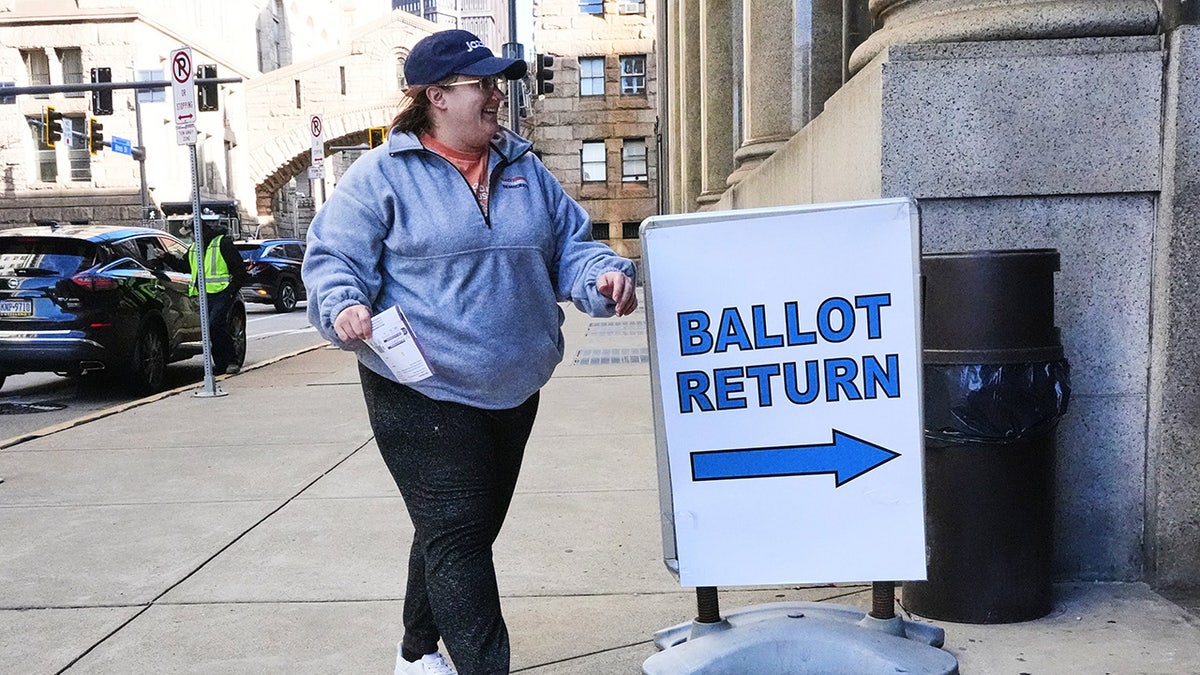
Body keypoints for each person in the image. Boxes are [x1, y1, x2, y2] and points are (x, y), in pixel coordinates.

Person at [302, 29, 637, 675]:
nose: (495, 95)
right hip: (420, 387)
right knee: (458, 532)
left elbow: (571, 246)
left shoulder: (524, 168)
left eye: (495, 82)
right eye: (479, 84)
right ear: (436, 97)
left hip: (513, 382)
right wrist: (342, 303)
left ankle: (416, 650)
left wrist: (601, 277)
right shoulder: (381, 176)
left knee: (462, 528)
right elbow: (334, 257)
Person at [188, 220, 248, 375]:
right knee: (211, 329)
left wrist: (230, 291)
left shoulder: (222, 243)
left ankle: (232, 361)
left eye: (190, 233)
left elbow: (240, 270)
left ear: (198, 232)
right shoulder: (194, 248)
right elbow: (185, 266)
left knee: (215, 325)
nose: (190, 237)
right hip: (204, 294)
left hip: (222, 292)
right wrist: (165, 257)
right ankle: (221, 364)